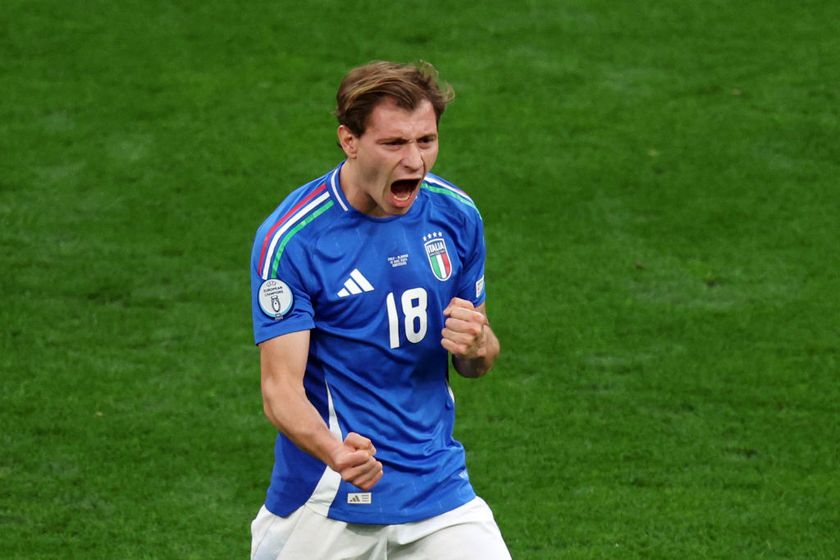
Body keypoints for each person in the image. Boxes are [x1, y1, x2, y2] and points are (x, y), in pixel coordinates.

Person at [249, 60, 510, 560]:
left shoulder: (456, 216)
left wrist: (479, 344)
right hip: (328, 497)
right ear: (349, 141)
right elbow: (279, 390)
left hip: (437, 489)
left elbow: (476, 359)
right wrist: (336, 453)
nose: (414, 161)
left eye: (426, 141)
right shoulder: (294, 240)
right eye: (394, 144)